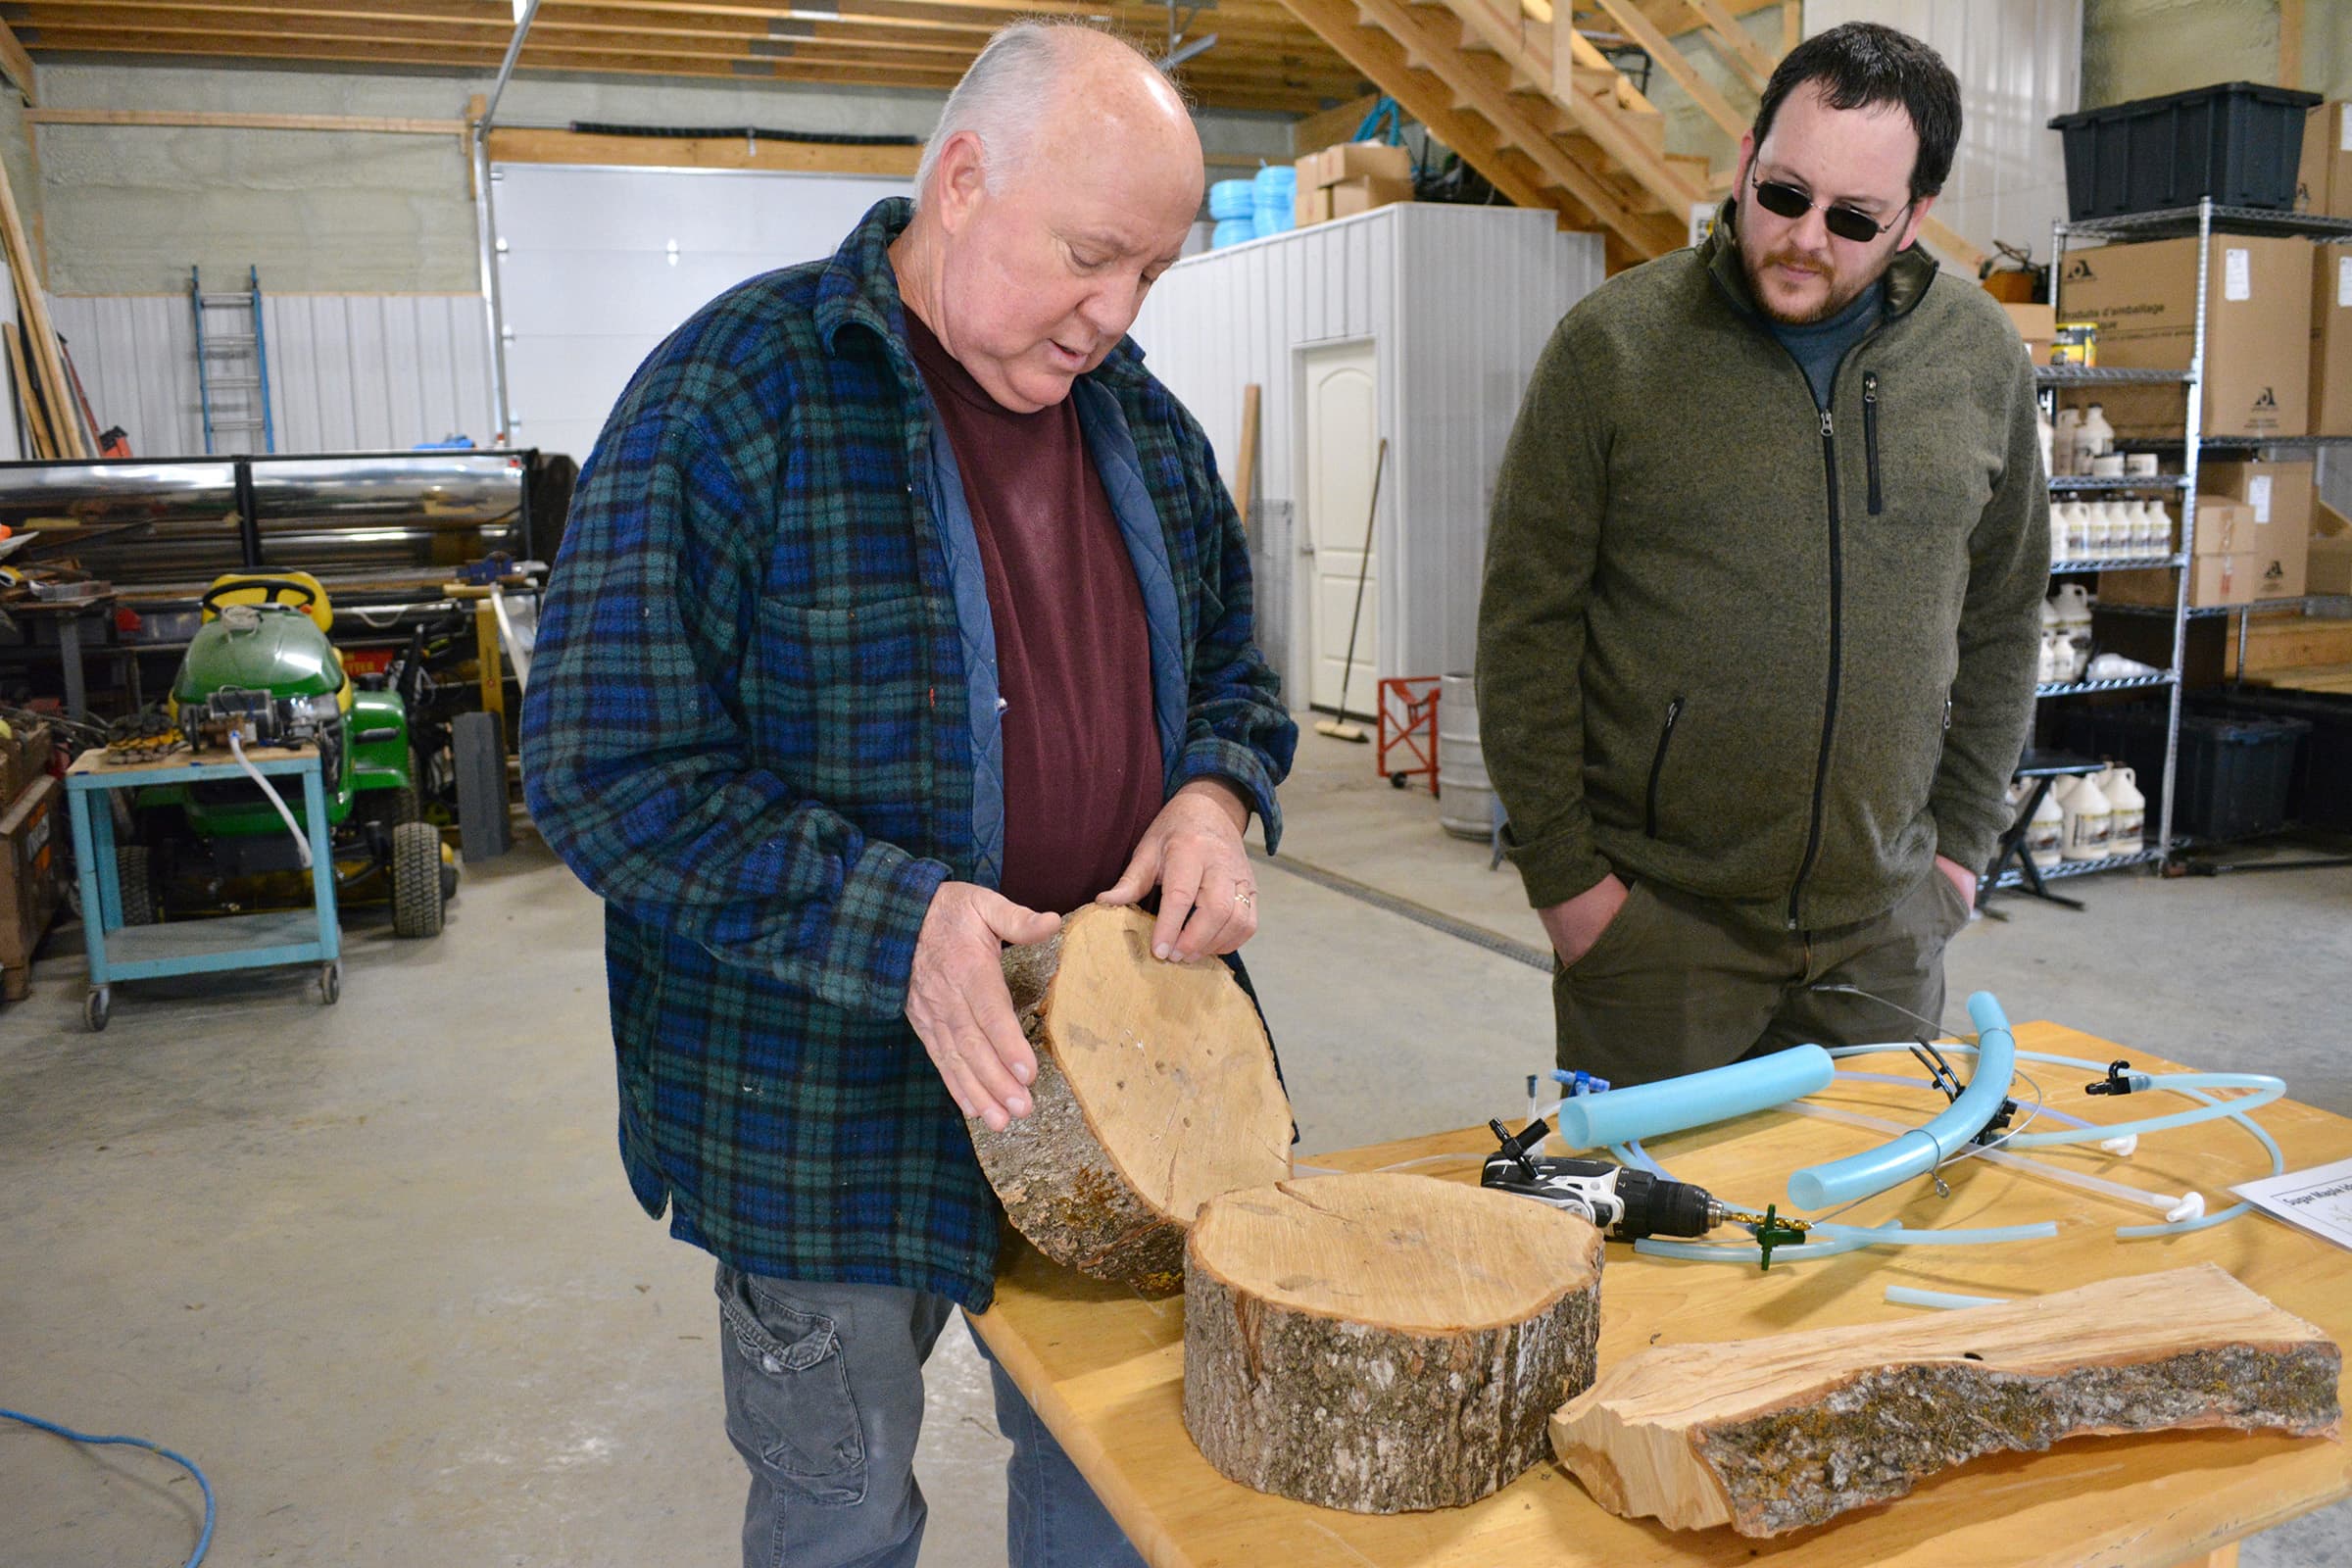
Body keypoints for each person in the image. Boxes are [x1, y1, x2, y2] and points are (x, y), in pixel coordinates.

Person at [519, 23, 1295, 1568]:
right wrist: (900, 925)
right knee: (841, 1517)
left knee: (1118, 1491)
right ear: (960, 179)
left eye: (1152, 271)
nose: (1115, 313)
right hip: (826, 1126)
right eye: (1090, 255)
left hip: (1122, 1096)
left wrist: (1215, 795)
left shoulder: (1142, 423)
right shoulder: (734, 397)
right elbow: (605, 770)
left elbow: (1237, 680)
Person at [1476, 22, 2044, 1088]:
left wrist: (1960, 855)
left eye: (1854, 218)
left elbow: (2007, 615)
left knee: (1862, 1239)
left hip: (1885, 931)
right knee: (1658, 1242)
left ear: (1916, 217)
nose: (1804, 238)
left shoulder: (1978, 361)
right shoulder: (1613, 350)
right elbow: (1525, 625)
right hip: (1658, 937)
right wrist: (1570, 887)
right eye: (1782, 194)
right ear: (1744, 160)